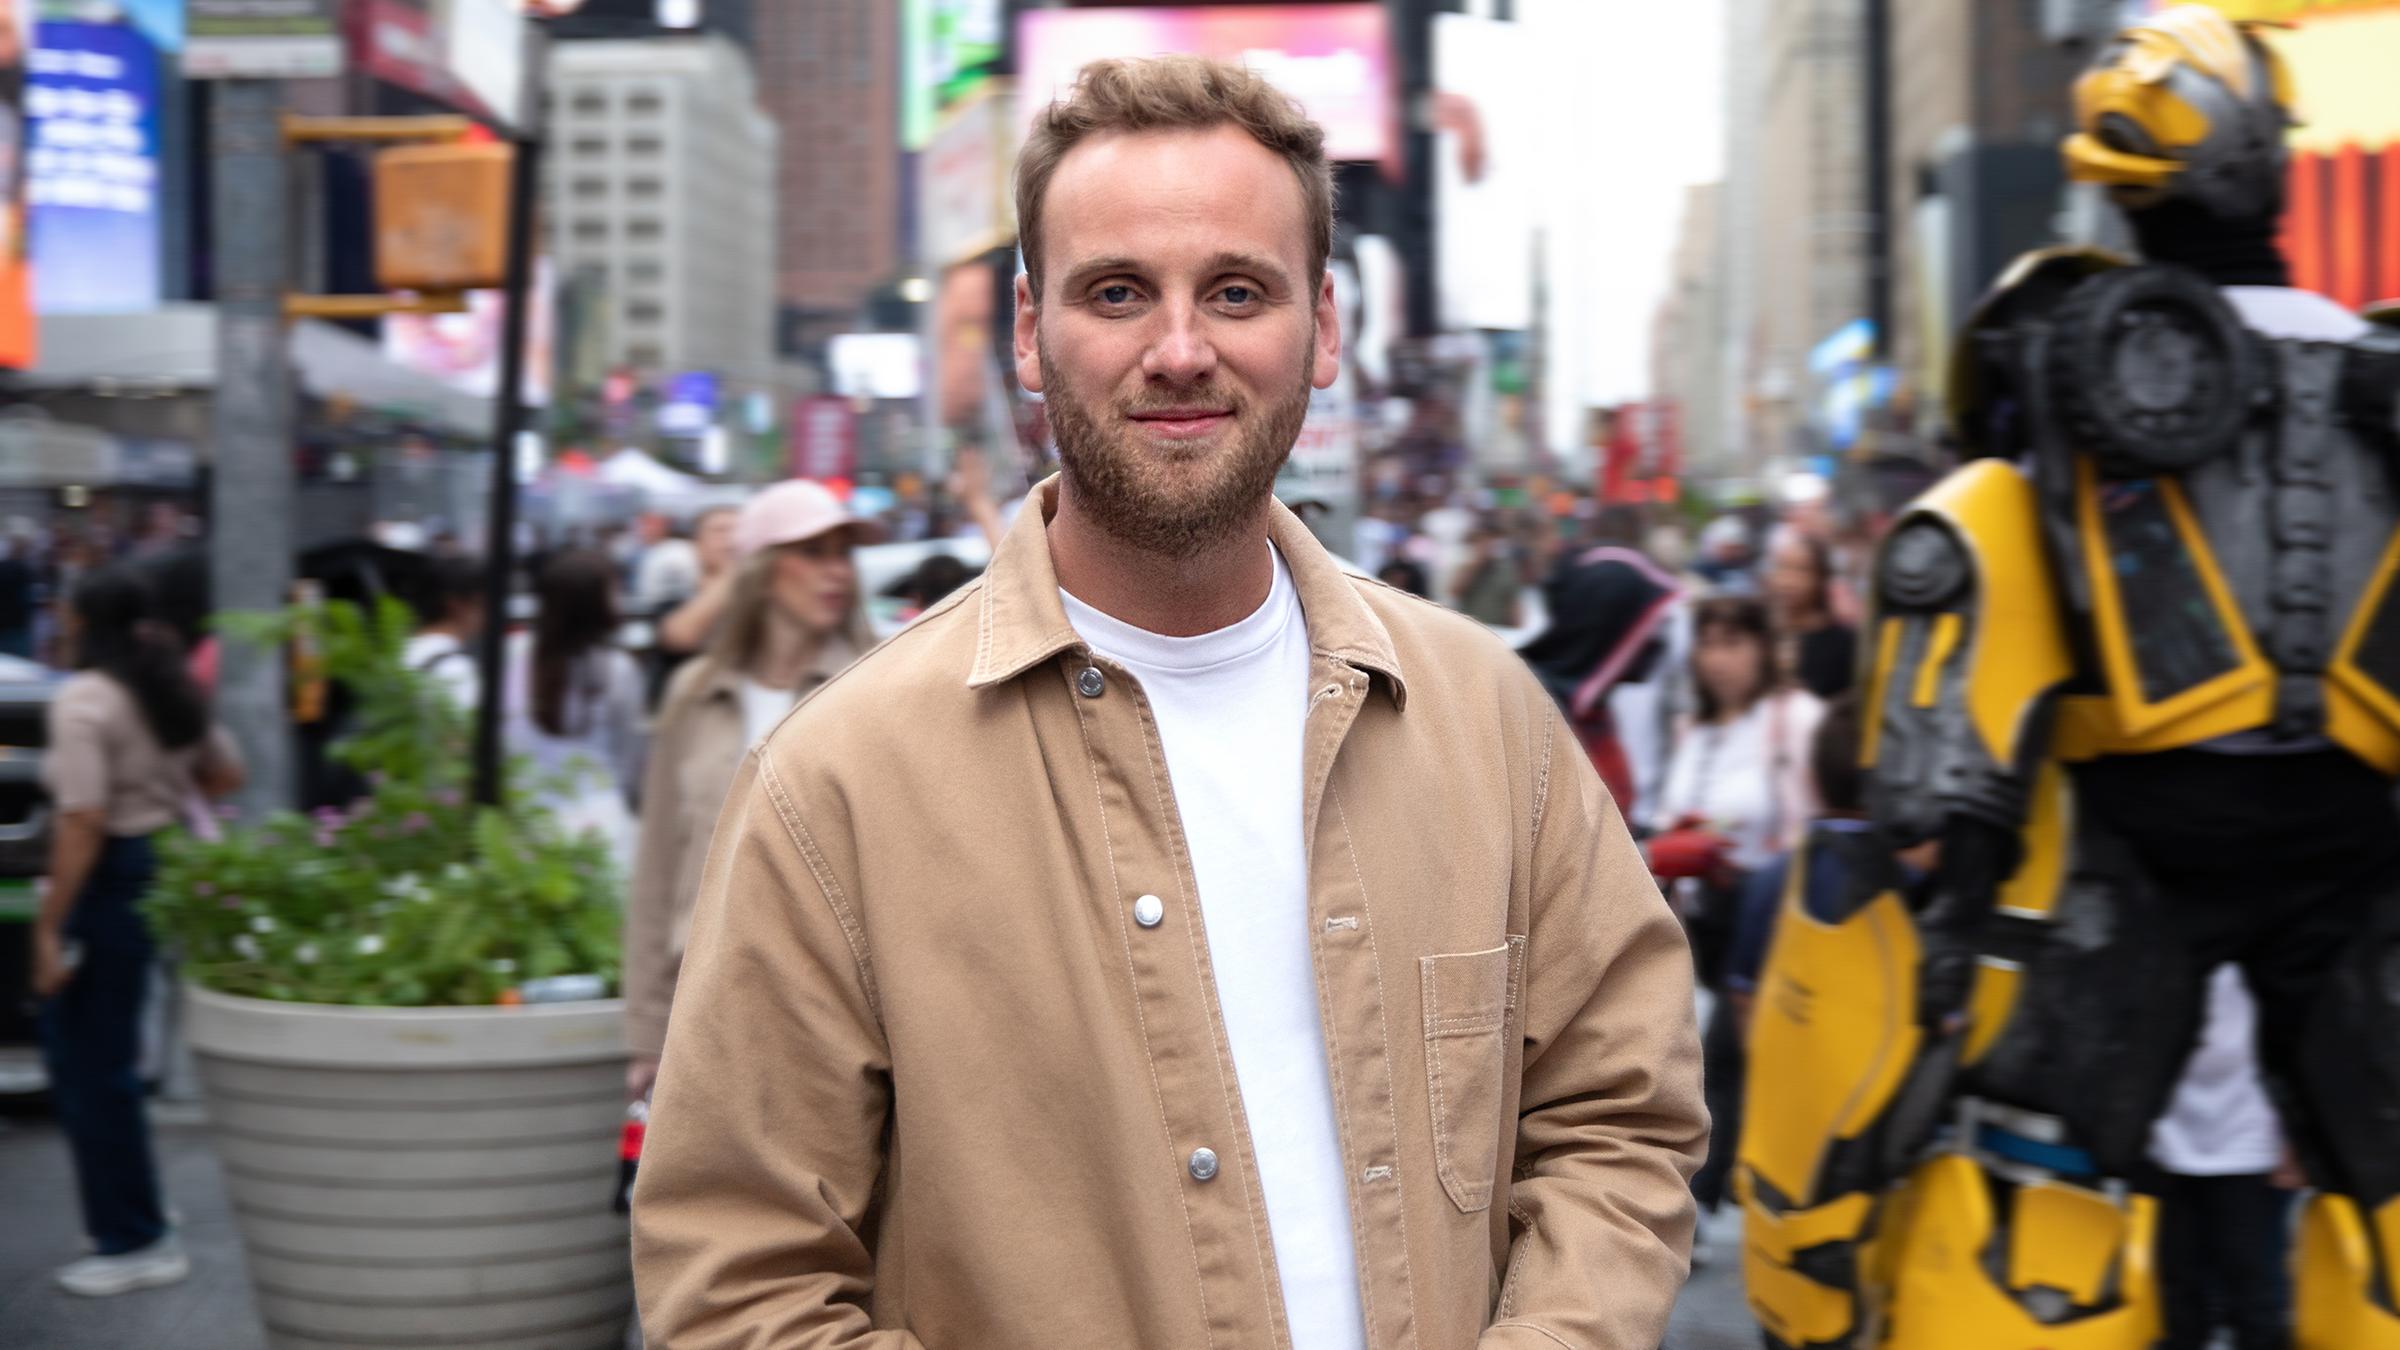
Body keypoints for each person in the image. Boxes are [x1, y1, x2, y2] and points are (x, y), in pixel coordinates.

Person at [631, 55, 1706, 1350]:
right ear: (1030, 333)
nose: (1181, 349)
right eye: (1120, 291)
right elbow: (738, 1277)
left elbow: (1618, 1112)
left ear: (1327, 326)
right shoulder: (835, 789)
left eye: (1238, 291)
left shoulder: (1487, 721)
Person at [1738, 9, 2400, 1339]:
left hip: (2119, 855)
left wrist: (1956, 845)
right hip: (2355, 855)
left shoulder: (2060, 384)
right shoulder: (2370, 385)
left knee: (2038, 1213)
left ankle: (1807, 1271)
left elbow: (1930, 797)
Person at [622, 481, 880, 1102]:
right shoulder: (697, 693)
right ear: (763, 572)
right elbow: (659, 864)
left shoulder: (875, 684)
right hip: (705, 1004)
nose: (834, 572)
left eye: (842, 552)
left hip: (837, 1017)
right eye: (812, 552)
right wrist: (647, 1034)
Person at [31, 566, 242, 1296]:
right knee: (109, 1055)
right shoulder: (168, 688)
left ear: (83, 620)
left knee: (91, 1062)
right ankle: (138, 1213)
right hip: (160, 863)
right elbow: (227, 773)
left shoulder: (85, 699)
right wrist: (160, 794)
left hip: (110, 872)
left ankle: (134, 1237)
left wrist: (49, 925)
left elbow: (82, 817)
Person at [1644, 594, 1820, 1229]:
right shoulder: (1697, 729)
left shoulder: (1795, 720)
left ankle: (1708, 1197)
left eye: (1734, 642)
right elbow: (1671, 820)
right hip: (1705, 923)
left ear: (1764, 648)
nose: (1718, 659)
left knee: (1726, 1062)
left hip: (1772, 921)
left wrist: (1755, 856)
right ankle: (1716, 1192)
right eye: (1709, 642)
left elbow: (1821, 830)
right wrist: (1682, 839)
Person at [2149, 967, 2299, 1350]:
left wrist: (2296, 1137)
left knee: (2252, 1287)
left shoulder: (2271, 945)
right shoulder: (2170, 936)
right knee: (2176, 1284)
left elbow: (2301, 1042)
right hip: (2169, 1134)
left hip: (2247, 1138)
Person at [502, 550, 644, 869]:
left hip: (522, 828)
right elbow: (629, 757)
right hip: (601, 832)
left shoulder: (511, 656)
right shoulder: (617, 669)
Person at [1515, 545, 1682, 815]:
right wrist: (1657, 854)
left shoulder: (1594, 712)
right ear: (1609, 629)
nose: (1656, 643)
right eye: (1648, 628)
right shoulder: (1532, 716)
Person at [1763, 523, 1856, 699]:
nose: (1788, 581)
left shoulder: (1843, 642)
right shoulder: (1764, 635)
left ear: (1821, 577)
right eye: (1781, 568)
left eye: (1801, 570)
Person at [402, 553, 485, 713]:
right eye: (483, 605)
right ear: (457, 606)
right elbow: (464, 736)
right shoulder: (456, 670)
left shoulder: (398, 652)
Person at [1451, 522, 1523, 627]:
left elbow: (1512, 600)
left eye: (1493, 540)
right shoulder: (1465, 563)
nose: (1489, 545)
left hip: (1499, 628)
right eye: (1484, 540)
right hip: (1471, 626)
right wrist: (1478, 563)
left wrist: (1517, 627)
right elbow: (1455, 591)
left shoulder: (1507, 567)